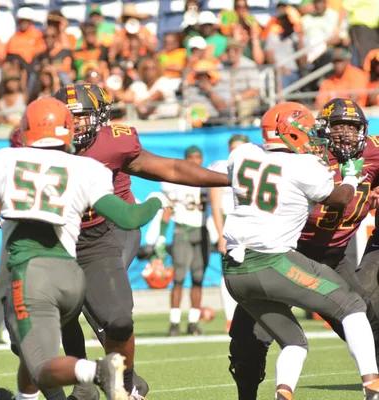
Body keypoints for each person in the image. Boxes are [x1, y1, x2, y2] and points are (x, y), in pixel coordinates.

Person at [0, 97, 167, 400]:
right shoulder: (86, 167)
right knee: (32, 351)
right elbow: (129, 217)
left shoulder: (4, 160)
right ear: (68, 129)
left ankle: (94, 373)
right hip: (73, 277)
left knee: (35, 356)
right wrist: (157, 201)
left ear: (25, 130)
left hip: (33, 277)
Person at [223, 101, 379, 400]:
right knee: (247, 341)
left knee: (368, 324)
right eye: (336, 126)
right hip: (287, 252)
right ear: (320, 130)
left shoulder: (372, 150)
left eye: (352, 126)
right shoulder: (306, 157)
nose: (345, 133)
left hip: (334, 255)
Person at [159, 145, 210, 336]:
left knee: (198, 278)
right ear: (186, 159)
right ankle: (174, 323)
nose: (195, 161)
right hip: (183, 231)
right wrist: (162, 235)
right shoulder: (176, 181)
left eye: (198, 157)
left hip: (202, 231)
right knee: (179, 278)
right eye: (191, 157)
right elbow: (168, 209)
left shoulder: (208, 180)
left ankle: (193, 322)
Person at [209, 134, 250, 332]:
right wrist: (220, 235)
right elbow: (216, 205)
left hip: (251, 223)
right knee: (230, 272)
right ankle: (230, 316)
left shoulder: (256, 167)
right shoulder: (220, 167)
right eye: (234, 148)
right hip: (229, 223)